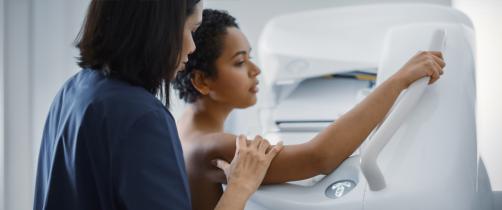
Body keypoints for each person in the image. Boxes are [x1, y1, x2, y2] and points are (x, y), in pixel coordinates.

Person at [173, 9, 446, 210]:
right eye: (240, 62)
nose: (255, 70)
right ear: (201, 80)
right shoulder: (210, 146)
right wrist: (398, 81)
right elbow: (320, 157)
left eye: (250, 58)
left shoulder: (187, 130)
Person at [33, 1, 282, 210]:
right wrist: (240, 187)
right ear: (156, 29)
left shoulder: (73, 90)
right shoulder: (141, 117)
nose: (192, 47)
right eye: (189, 31)